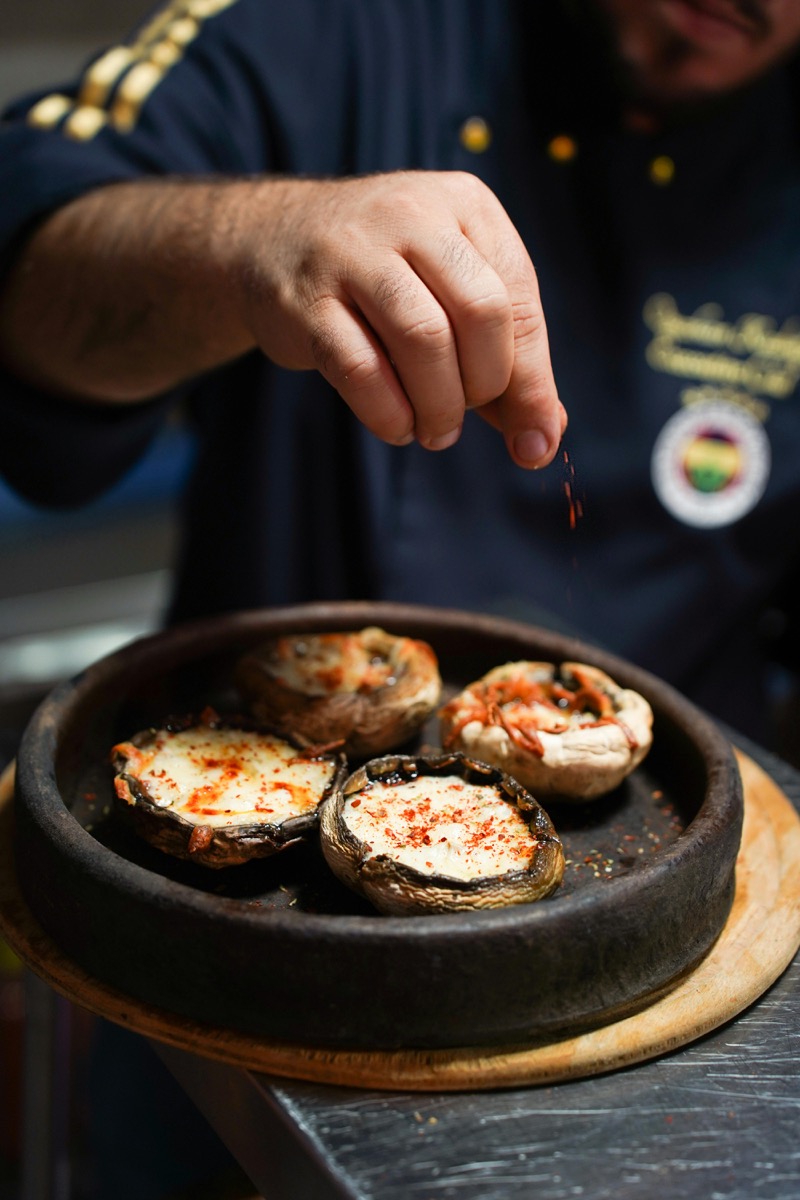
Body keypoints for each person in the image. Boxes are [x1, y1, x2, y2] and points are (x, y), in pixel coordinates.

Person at [1, 0, 800, 1194]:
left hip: (658, 976)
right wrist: (249, 237)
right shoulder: (330, 28)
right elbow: (27, 244)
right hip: (234, 980)